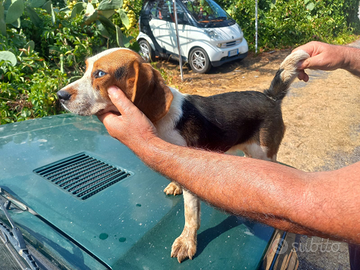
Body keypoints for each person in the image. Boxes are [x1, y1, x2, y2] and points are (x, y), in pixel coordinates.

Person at [97, 41, 360, 265]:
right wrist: (348, 55)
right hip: (251, 110)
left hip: (259, 122)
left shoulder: (174, 116)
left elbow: (192, 172)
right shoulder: (172, 111)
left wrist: (189, 231)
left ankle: (192, 229)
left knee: (264, 167)